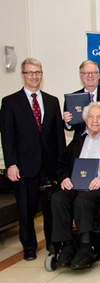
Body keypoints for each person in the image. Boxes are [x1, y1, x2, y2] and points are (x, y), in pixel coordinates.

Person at [51, 102, 100, 269]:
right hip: (76, 186)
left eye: (99, 117)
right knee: (58, 198)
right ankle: (67, 245)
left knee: (83, 200)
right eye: (91, 117)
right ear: (85, 121)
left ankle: (86, 247)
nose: (95, 121)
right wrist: (65, 177)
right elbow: (62, 165)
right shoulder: (77, 142)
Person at [0, 57, 66, 261]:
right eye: (30, 73)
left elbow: (58, 137)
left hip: (49, 167)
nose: (34, 76)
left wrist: (62, 167)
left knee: (51, 209)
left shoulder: (51, 101)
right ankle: (29, 246)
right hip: (23, 166)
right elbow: (7, 136)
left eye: (37, 72)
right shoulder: (10, 102)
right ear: (22, 76)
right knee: (26, 210)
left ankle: (53, 244)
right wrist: (11, 164)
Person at [63, 60, 100, 136]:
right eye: (86, 73)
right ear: (80, 76)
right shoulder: (72, 99)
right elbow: (70, 127)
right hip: (81, 142)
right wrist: (67, 122)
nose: (90, 76)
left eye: (93, 72)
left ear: (99, 75)